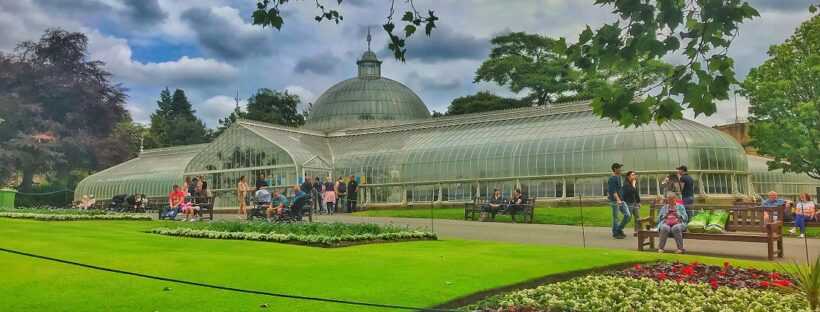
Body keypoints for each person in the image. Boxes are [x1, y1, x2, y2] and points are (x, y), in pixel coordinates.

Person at [608, 163, 631, 239]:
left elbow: (618, 189)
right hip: (616, 201)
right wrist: (617, 199)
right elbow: (613, 190)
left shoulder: (619, 177)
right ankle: (615, 233)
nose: (621, 169)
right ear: (615, 169)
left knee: (627, 215)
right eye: (620, 168)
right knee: (616, 217)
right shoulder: (612, 179)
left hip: (621, 200)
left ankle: (619, 229)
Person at [623, 171, 642, 236]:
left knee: (637, 216)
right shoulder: (626, 184)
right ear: (628, 176)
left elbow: (636, 193)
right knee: (628, 217)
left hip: (635, 202)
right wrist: (633, 185)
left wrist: (638, 201)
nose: (634, 176)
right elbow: (631, 191)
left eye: (634, 175)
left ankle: (636, 231)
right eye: (632, 175)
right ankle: (619, 227)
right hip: (628, 202)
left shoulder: (634, 184)